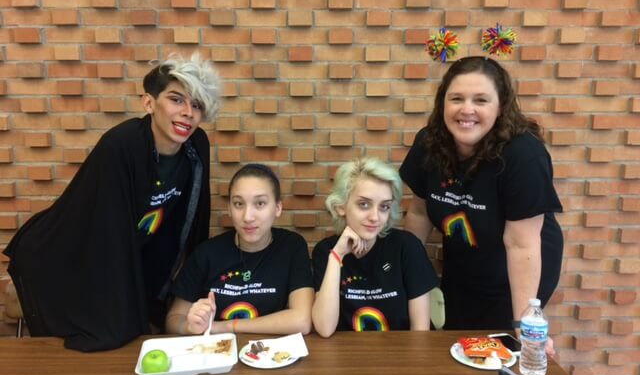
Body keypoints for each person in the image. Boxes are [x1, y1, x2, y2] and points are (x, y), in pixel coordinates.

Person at [4, 53, 221, 351]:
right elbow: (106, 230)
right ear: (149, 103)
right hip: (75, 248)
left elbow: (193, 215)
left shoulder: (197, 146)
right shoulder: (122, 145)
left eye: (196, 105)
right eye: (176, 100)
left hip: (140, 246)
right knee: (118, 333)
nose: (188, 113)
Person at [399, 56, 563, 336]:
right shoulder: (429, 143)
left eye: (481, 100)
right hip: (464, 260)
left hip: (518, 267)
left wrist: (522, 322)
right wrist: (403, 273)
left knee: (500, 345)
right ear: (442, 103)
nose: (467, 109)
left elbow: (521, 245)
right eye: (456, 99)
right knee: (458, 341)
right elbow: (419, 212)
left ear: (500, 107)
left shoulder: (524, 155)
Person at [166, 163, 314, 336]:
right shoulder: (206, 253)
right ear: (229, 208)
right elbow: (173, 320)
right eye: (238, 204)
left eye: (260, 203)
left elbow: (302, 321)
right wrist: (189, 326)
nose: (247, 217)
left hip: (271, 351)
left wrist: (224, 327)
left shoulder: (291, 247)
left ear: (277, 208)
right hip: (218, 349)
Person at [311, 157, 438, 338]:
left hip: (403, 352)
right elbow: (324, 328)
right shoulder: (326, 251)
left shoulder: (406, 247)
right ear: (341, 207)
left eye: (384, 206)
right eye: (364, 204)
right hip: (348, 353)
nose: (375, 217)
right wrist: (336, 256)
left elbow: (420, 332)